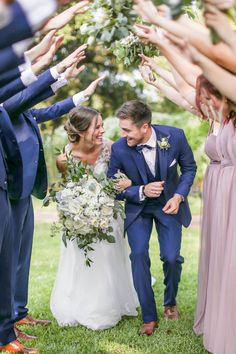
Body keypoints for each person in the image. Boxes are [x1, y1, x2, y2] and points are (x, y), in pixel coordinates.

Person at [108, 100, 197, 336]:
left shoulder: (174, 136)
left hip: (170, 206)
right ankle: (149, 316)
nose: (122, 134)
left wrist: (179, 196)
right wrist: (140, 190)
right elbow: (112, 186)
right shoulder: (119, 148)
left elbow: (189, 168)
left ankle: (170, 301)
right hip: (139, 210)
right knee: (138, 255)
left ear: (145, 127)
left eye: (127, 129)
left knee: (170, 257)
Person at [51, 106, 138, 330]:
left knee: (108, 255)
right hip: (79, 216)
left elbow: (122, 178)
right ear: (80, 131)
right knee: (79, 256)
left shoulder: (110, 148)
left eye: (101, 125)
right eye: (96, 126)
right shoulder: (65, 157)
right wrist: (75, 209)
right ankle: (78, 301)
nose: (102, 130)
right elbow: (67, 188)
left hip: (109, 213)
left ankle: (109, 303)